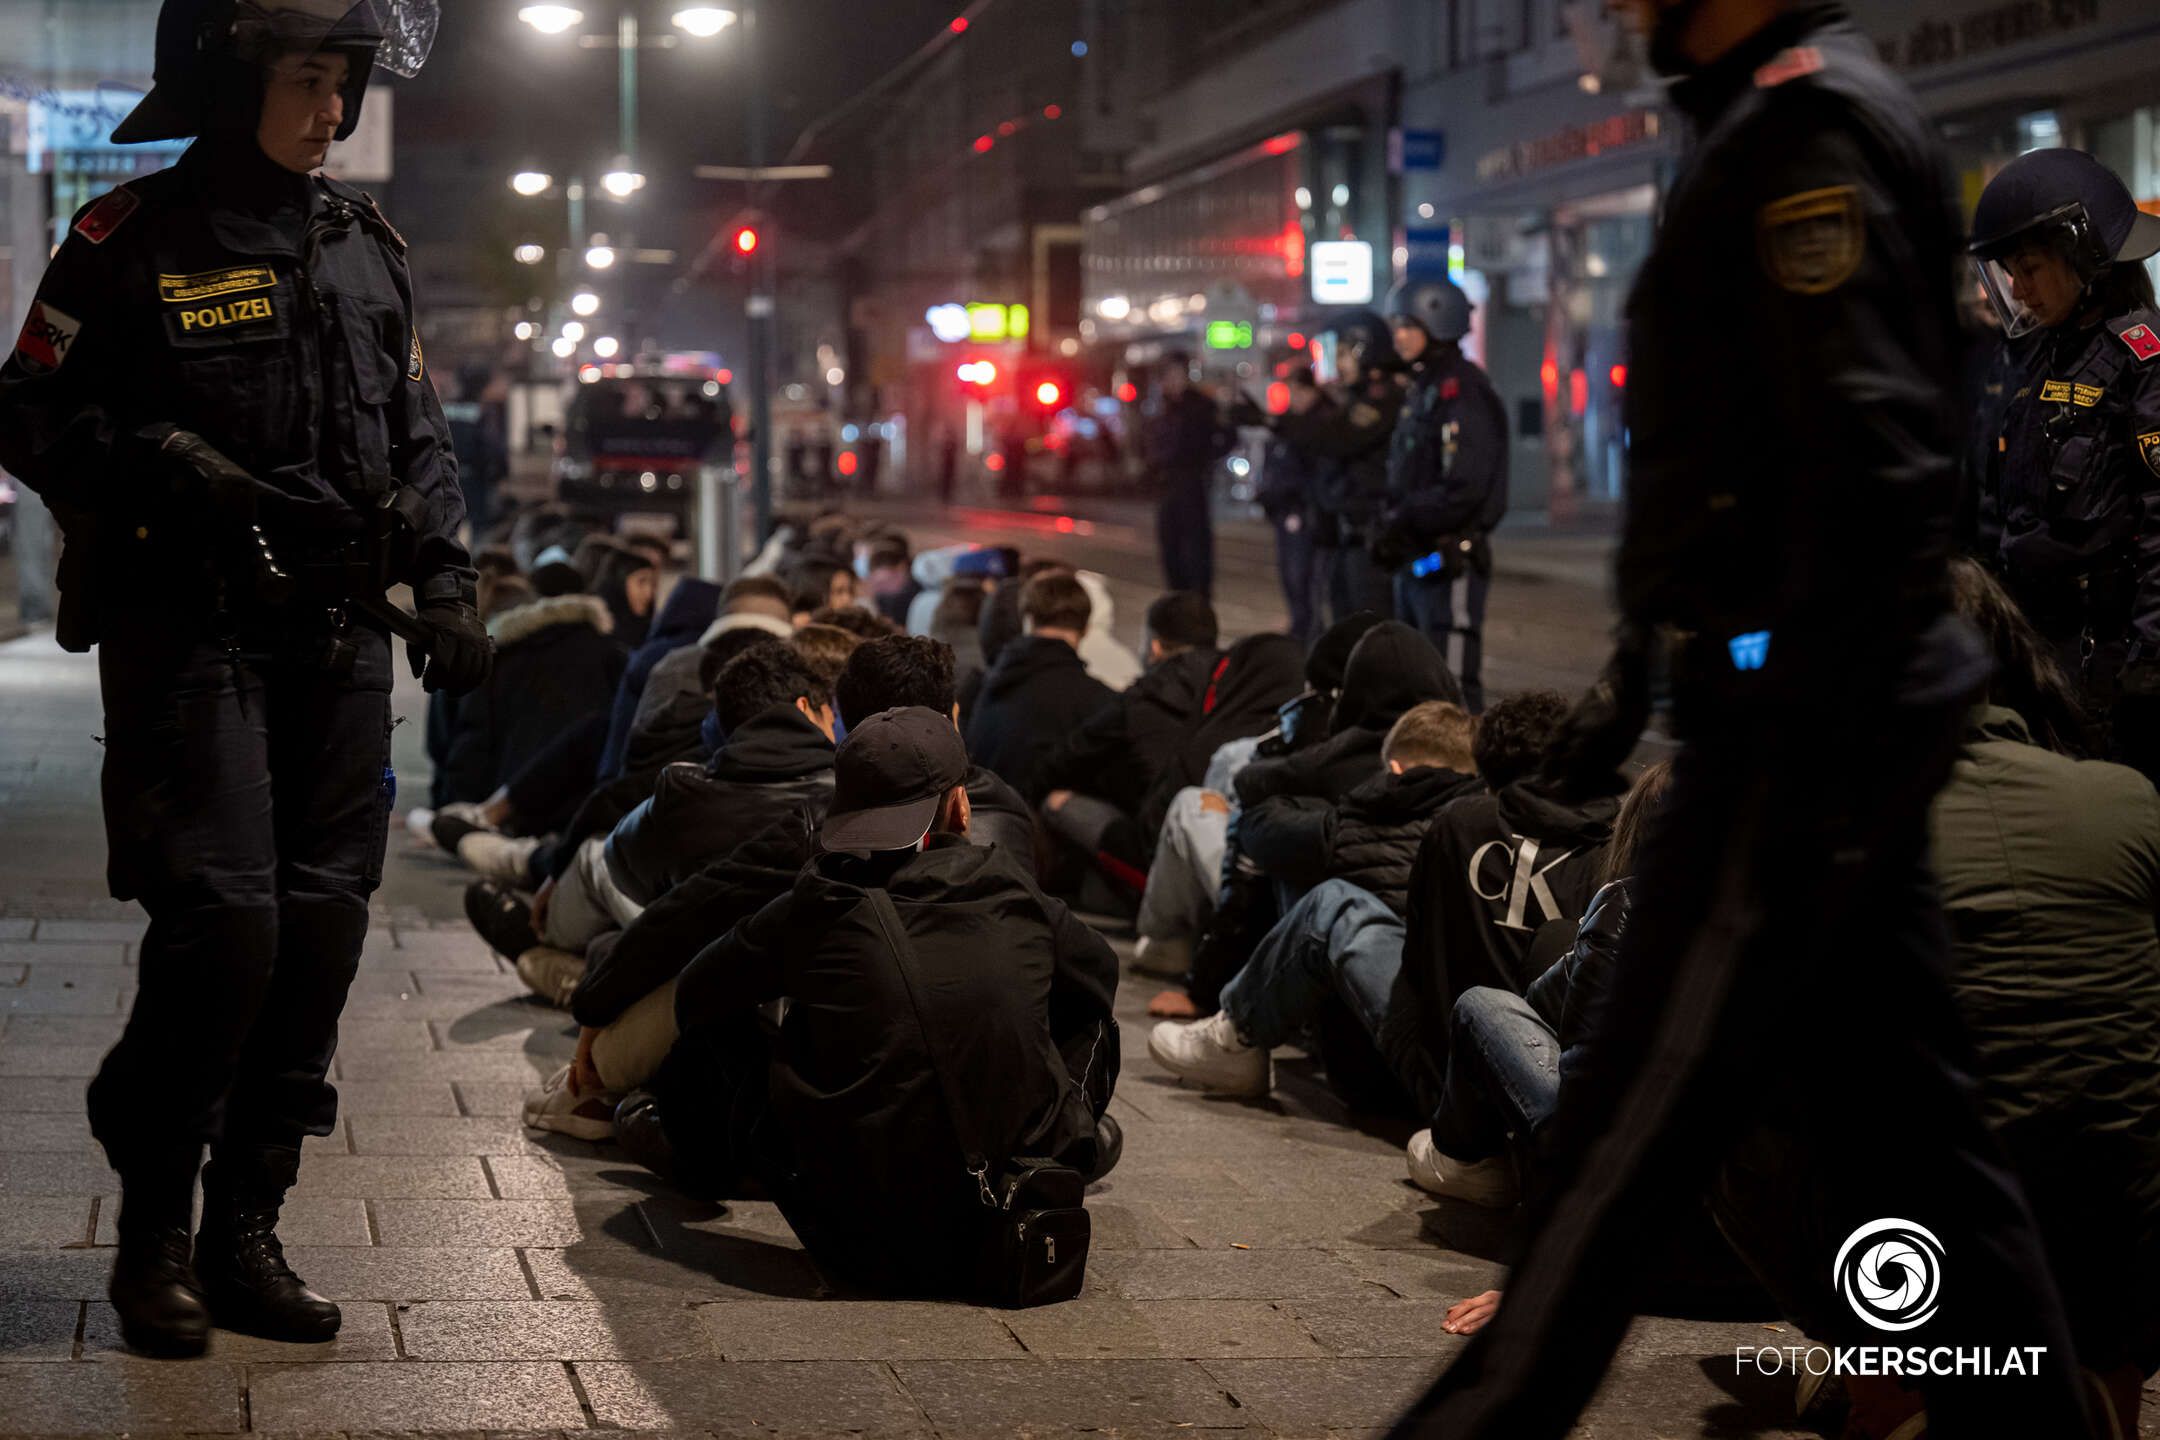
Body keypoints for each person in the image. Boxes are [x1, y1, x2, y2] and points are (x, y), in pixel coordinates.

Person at [1391, 0, 2097, 1433]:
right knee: (1933, 1153)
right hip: (1828, 718)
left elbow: (1858, 463)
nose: (1611, 8)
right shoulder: (1766, 115)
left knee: (1621, 1140)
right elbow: (1755, 467)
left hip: (1800, 738)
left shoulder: (1801, 133)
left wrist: (1754, 697)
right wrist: (1638, 668)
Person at [0, 0, 483, 1356]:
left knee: (321, 935)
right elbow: (26, 407)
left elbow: (415, 424)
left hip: (336, 641)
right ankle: (153, 1239)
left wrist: (448, 578)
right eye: (316, 81)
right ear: (229, 77)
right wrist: (159, 470)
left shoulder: (364, 245)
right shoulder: (126, 238)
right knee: (227, 929)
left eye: (348, 86)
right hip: (189, 630)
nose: (337, 114)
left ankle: (245, 1231)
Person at [670, 708, 1120, 1294]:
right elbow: (1099, 976)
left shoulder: (817, 905)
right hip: (1001, 1207)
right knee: (1094, 1019)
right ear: (959, 805)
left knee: (717, 1032)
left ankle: (702, 1161)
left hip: (852, 1235)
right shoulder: (1012, 888)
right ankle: (1065, 1148)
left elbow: (695, 996)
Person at [1146, 700, 1482, 1105]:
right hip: (1472, 1062)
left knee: (1329, 900)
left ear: (1393, 770)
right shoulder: (1486, 831)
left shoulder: (1362, 819)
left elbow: (1257, 810)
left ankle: (1236, 1037)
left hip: (1389, 1069)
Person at [1969, 147, 2160, 787]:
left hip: (2110, 664)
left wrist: (2150, 659)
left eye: (2029, 269)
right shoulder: (2039, 360)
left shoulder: (2144, 361)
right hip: (2039, 653)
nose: (2017, 290)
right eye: (2009, 273)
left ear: (2082, 257)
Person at [1378, 278, 1508, 712]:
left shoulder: (1461, 390)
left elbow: (1464, 483)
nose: (1398, 336)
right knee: (1415, 682)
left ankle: (1467, 777)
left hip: (1447, 556)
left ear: (1437, 323)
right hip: (1417, 555)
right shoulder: (1424, 387)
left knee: (1450, 686)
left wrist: (1408, 516)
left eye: (1408, 326)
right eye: (1397, 325)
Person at [1036, 591, 1223, 876]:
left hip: (1158, 852)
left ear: (1155, 647)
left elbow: (1064, 759)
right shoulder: (1237, 687)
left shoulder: (1143, 697)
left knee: (1057, 803)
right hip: (1224, 839)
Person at [1270, 313, 1404, 624]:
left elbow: (1336, 438)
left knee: (1370, 630)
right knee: (1343, 625)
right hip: (1347, 535)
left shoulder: (1381, 401)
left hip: (1371, 539)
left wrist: (1274, 422)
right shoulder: (1355, 400)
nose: (1339, 364)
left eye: (1344, 354)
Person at [963, 572, 1118, 803]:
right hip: (1035, 832)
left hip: (981, 821)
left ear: (1029, 620)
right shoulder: (1100, 701)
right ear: (1086, 628)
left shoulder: (984, 686)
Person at [1145, 352, 1233, 596]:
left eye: (1176, 375)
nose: (1171, 381)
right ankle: (1177, 596)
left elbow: (1226, 437)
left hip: (1192, 483)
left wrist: (1204, 460)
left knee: (1195, 547)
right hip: (1167, 485)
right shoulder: (1161, 407)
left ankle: (1198, 599)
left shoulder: (1200, 407)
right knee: (1170, 546)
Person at [1255, 368, 1328, 645]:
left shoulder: (1318, 424)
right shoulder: (1288, 424)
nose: (1292, 398)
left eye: (1296, 391)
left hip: (1304, 514)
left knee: (1305, 578)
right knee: (1291, 576)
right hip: (1285, 513)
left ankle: (1308, 633)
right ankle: (1302, 630)